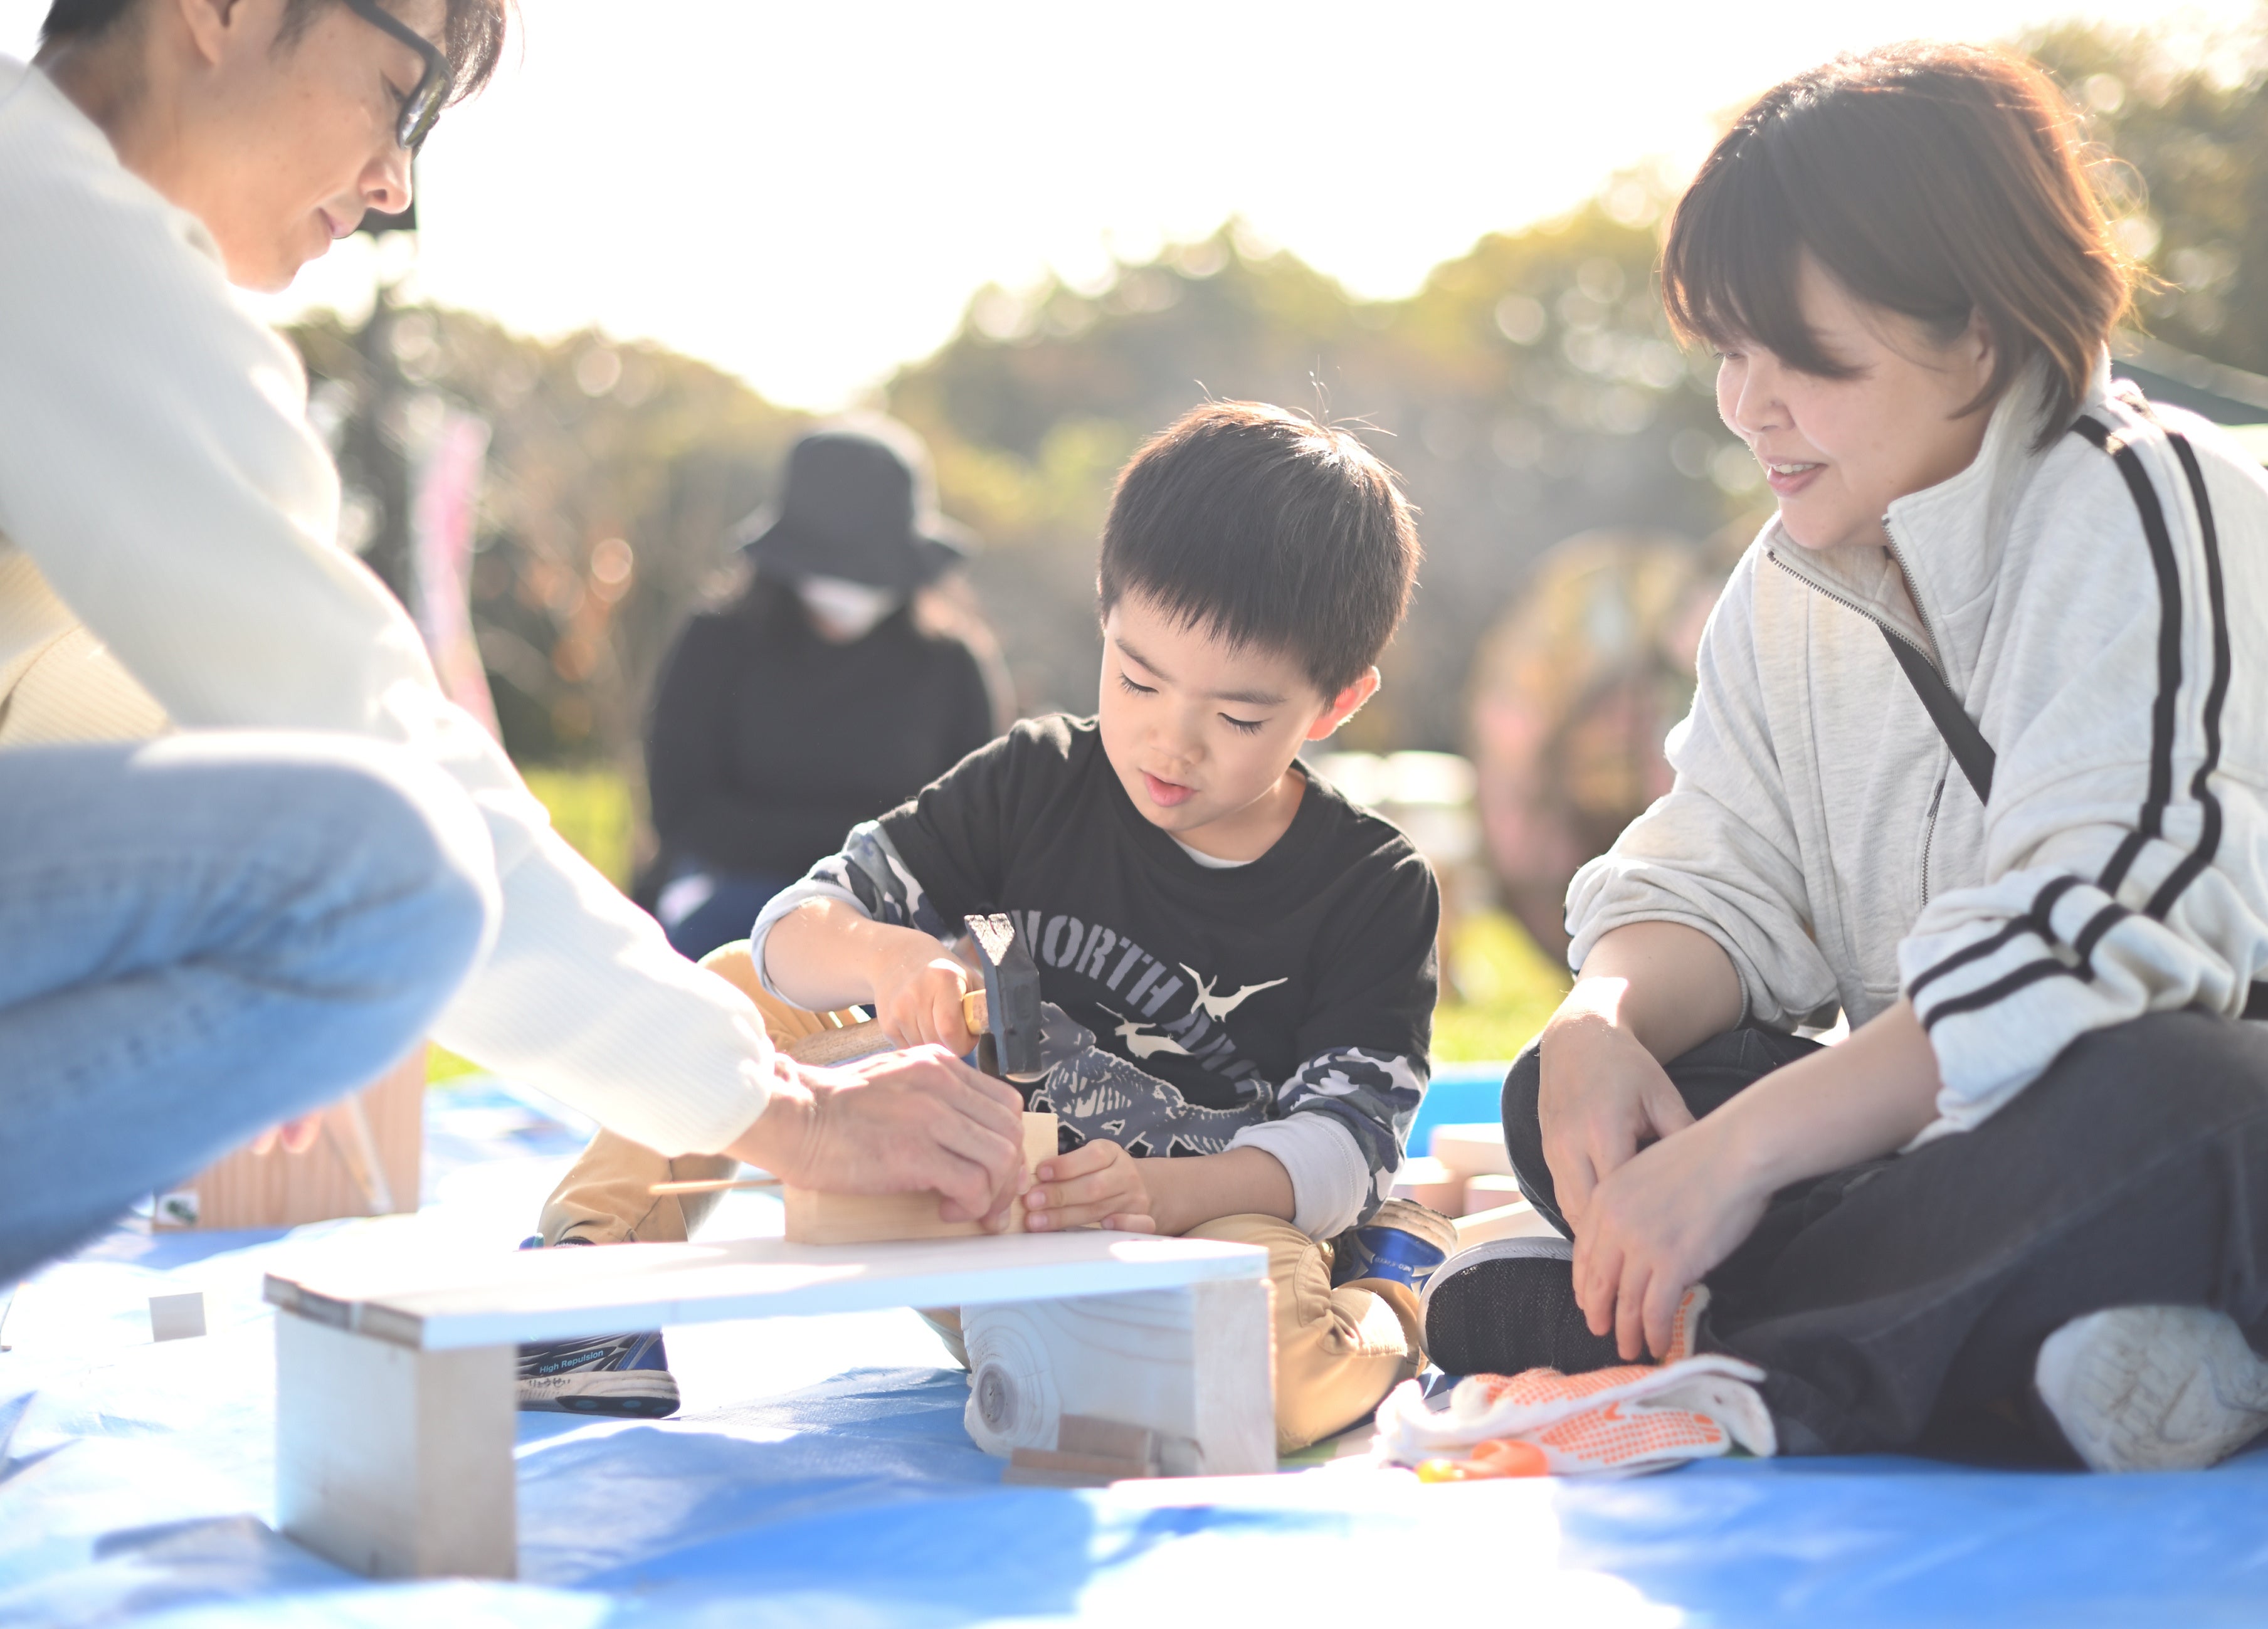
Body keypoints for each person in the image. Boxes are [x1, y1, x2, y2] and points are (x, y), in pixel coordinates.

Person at [1423, 43, 2268, 1473]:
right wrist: (1601, 1020)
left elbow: (2102, 951)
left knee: (2191, 1110)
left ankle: (1740, 1333)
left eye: (1807, 359)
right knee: (1577, 1092)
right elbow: (1719, 875)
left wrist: (1736, 1160)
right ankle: (2058, 1343)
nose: (1747, 406)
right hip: (1991, 1145)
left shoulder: (2152, 505)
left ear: (1975, 335)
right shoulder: (1789, 584)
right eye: (1729, 353)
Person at [0, 0, 1025, 1289]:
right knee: (384, 867)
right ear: (225, 11)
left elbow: (138, 698)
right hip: (745, 923)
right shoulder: (68, 239)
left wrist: (245, 972)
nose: (393, 180)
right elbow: (375, 749)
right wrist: (790, 1112)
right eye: (399, 92)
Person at [527, 402, 1458, 1452]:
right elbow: (794, 929)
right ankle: (584, 1291)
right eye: (1137, 677)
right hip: (980, 1201)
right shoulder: (1035, 781)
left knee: (1256, 1387)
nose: (1170, 741)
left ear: (1335, 705)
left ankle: (1395, 1287)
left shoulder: (1372, 884)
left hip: (1199, 1235)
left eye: (1238, 717)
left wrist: (1164, 1192)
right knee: (738, 981)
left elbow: (1348, 1144)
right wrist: (890, 956)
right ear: (1104, 613)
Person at [646, 420, 997, 961]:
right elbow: (682, 810)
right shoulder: (718, 644)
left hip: (892, 909)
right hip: (730, 896)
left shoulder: (950, 665)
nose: (850, 591)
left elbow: (974, 823)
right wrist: (852, 849)